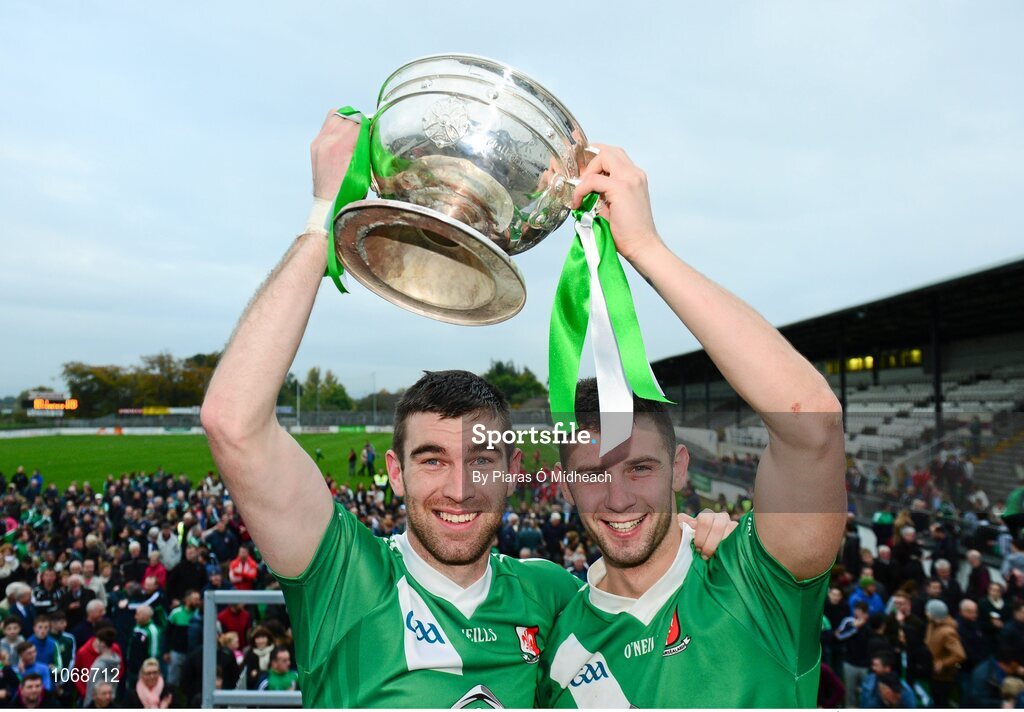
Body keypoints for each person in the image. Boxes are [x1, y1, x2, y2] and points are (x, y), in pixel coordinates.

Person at [201, 116, 737, 708]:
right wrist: (322, 216)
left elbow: (640, 590)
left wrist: (693, 539)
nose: (460, 488)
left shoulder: (552, 593)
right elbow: (234, 422)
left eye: (480, 460)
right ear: (396, 471)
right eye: (432, 460)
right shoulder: (344, 575)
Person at [532, 138, 844, 704]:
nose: (619, 498)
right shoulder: (554, 646)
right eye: (593, 474)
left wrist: (647, 248)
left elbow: (811, 423)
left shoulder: (751, 580)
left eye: (641, 467)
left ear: (679, 467)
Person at [925, 598, 966, 708]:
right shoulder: (932, 625)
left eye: (928, 611)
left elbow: (959, 654)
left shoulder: (947, 632)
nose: (926, 613)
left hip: (943, 678)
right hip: (933, 674)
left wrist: (942, 663)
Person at [83, 628, 121, 708]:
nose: (96, 644)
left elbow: (92, 691)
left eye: (97, 641)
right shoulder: (116, 662)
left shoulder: (98, 666)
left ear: (103, 644)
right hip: (111, 703)